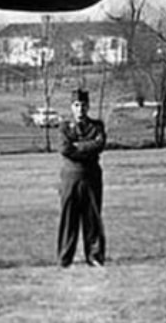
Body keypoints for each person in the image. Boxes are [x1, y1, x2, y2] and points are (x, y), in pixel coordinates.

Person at [57, 88, 107, 267]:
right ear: (71, 107)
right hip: (70, 177)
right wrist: (87, 147)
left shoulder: (97, 126)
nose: (80, 109)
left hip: (92, 176)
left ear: (89, 106)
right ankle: (65, 257)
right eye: (77, 105)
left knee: (92, 217)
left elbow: (99, 144)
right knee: (68, 218)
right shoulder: (64, 127)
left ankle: (94, 256)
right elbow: (65, 149)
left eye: (83, 105)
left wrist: (79, 147)